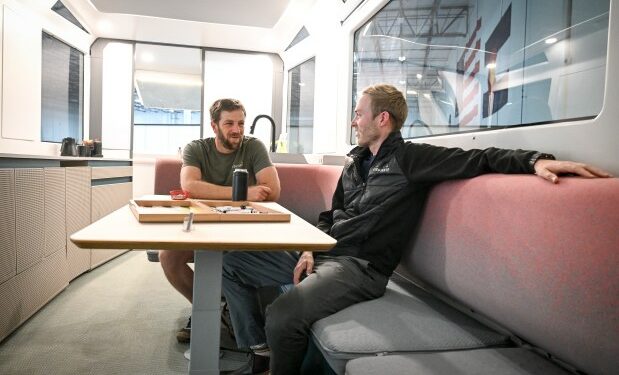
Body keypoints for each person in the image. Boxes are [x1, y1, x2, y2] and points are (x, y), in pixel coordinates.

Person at [251, 84, 612, 374]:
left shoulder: (411, 160)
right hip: (327, 253)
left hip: (360, 267)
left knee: (282, 315)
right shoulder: (354, 162)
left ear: (382, 119)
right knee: (239, 264)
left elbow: (479, 158)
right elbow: (331, 214)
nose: (353, 122)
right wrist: (309, 249)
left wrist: (535, 161)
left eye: (358, 115)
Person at [159, 98, 298, 373]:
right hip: (205, 226)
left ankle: (227, 317)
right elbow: (189, 186)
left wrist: (214, 192)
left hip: (246, 231)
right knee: (169, 258)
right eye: (229, 123)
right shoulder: (197, 148)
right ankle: (212, 311)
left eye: (241, 123)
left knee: (230, 261)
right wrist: (243, 194)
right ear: (214, 126)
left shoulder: (253, 146)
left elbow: (273, 190)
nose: (237, 129)